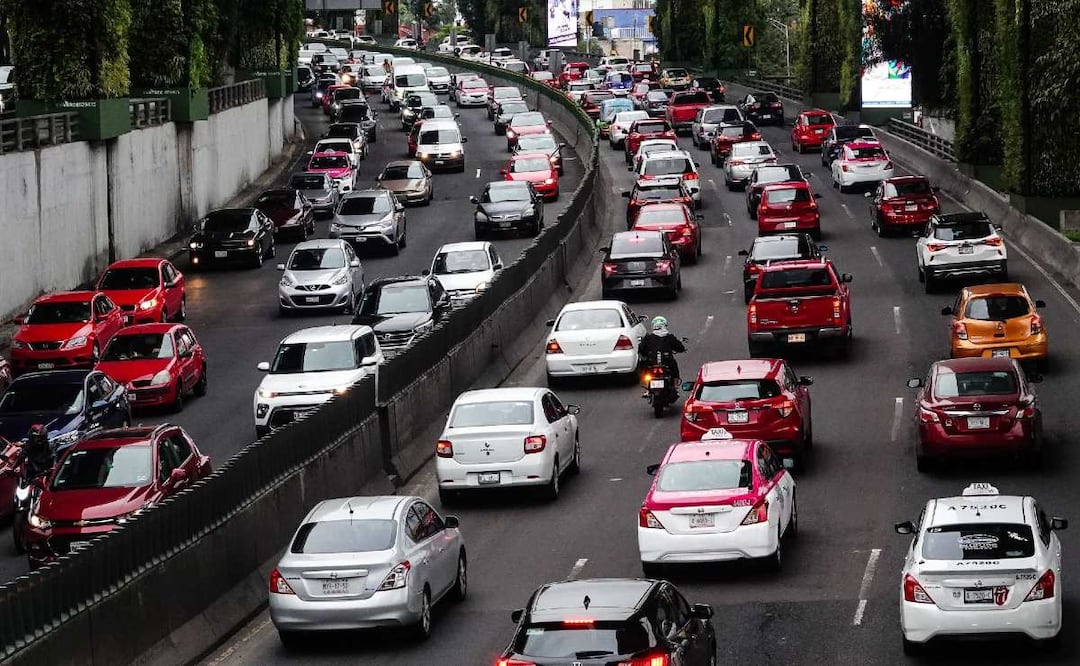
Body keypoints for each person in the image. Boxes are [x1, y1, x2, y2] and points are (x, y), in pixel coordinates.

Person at [638, 315, 686, 384]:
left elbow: (641, 350)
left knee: (643, 364)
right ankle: (675, 382)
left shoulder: (648, 338)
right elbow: (680, 348)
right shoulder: (669, 337)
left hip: (651, 364)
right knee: (673, 365)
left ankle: (645, 384)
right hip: (667, 364)